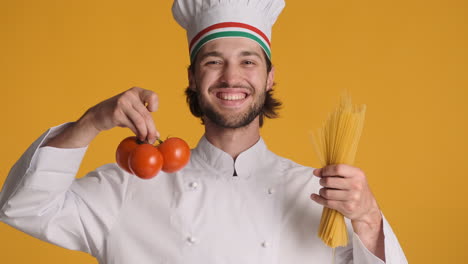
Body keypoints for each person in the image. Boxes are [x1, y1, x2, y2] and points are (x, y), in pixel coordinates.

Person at [0, 0, 407, 263]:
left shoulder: (320, 196)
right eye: (214, 61)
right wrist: (90, 122)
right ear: (193, 78)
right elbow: (21, 207)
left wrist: (369, 219)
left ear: (269, 79)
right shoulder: (128, 187)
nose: (232, 77)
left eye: (248, 62)